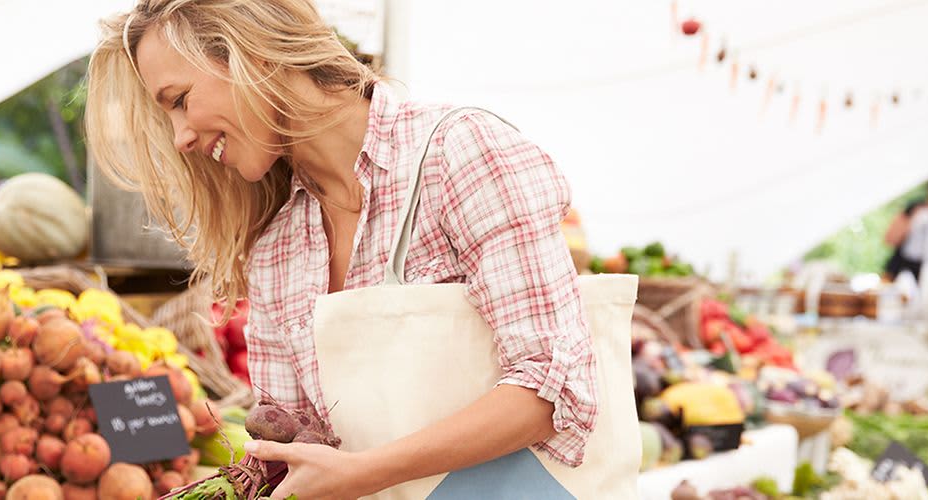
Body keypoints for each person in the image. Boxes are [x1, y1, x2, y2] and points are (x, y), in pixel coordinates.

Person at [83, 1, 597, 498]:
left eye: (179, 100)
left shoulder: (457, 153)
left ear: (251, 53)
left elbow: (552, 389)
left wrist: (364, 474)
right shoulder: (276, 249)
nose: (180, 138)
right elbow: (289, 446)